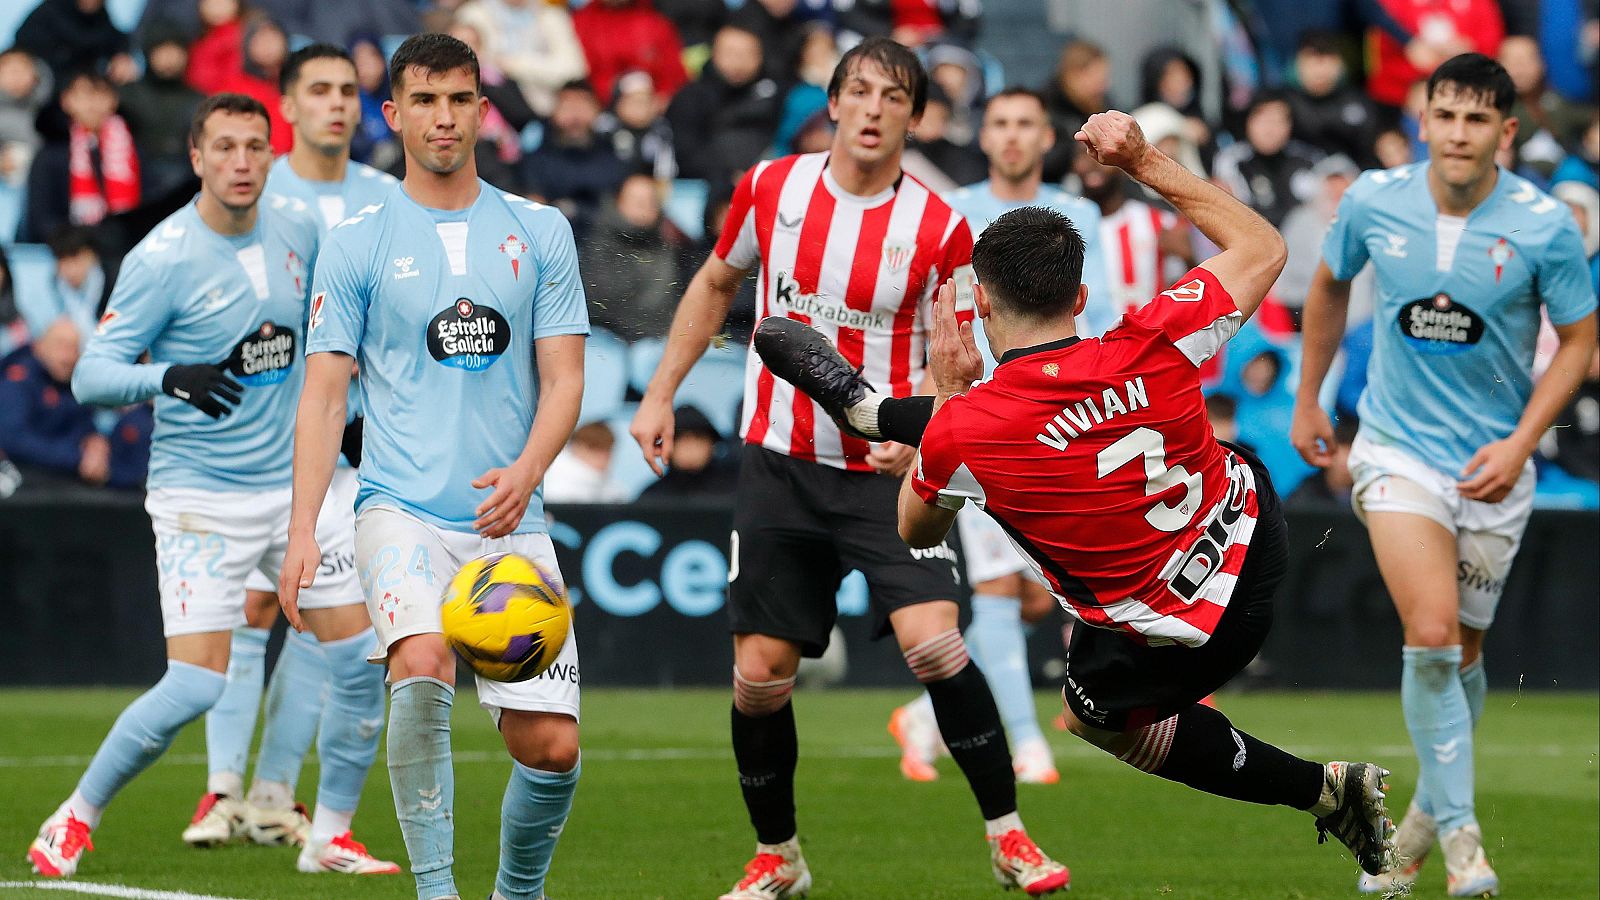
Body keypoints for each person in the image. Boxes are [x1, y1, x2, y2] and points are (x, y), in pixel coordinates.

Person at [754, 110, 1399, 889]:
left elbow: (914, 527)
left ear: (981, 306)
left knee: (1089, 714)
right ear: (1082, 293)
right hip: (1254, 538)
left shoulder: (970, 431)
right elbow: (1264, 246)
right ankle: (870, 409)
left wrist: (950, 400)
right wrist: (1143, 160)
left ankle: (1328, 793)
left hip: (1172, 630)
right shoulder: (1155, 336)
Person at [629, 37, 1071, 899]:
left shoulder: (940, 225)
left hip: (885, 472)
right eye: (859, 91)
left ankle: (1009, 837)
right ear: (832, 103)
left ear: (914, 115)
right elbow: (718, 284)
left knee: (938, 644)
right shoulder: (771, 188)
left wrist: (919, 433)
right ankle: (778, 858)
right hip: (780, 462)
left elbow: (960, 355)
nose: (873, 109)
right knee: (759, 674)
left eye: (893, 96)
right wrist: (658, 393)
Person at [26, 93, 397, 880]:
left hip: (301, 493)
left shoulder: (298, 228)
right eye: (224, 147)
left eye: (254, 147)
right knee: (195, 682)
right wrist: (171, 377)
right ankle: (75, 816)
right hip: (204, 499)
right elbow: (93, 372)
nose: (240, 162)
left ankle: (328, 835)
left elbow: (319, 341)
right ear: (196, 158)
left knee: (363, 657)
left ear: (272, 155)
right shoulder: (162, 257)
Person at [278, 34, 589, 900]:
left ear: (483, 110)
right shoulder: (356, 243)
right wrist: (305, 531)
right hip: (399, 511)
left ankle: (515, 894)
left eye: (458, 99)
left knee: (551, 751)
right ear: (395, 115)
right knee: (419, 665)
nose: (442, 117)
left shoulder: (541, 230)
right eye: (423, 100)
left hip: (509, 522)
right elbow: (324, 398)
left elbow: (565, 379)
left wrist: (528, 469)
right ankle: (437, 891)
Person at [1290, 53, 1597, 897]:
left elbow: (1579, 341)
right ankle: (1464, 844)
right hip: (1395, 450)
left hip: (1496, 464)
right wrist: (1310, 399)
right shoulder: (1373, 201)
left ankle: (1413, 829)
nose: (1457, 133)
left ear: (1507, 131)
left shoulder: (1544, 225)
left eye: (1476, 119)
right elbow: (1325, 287)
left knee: (1460, 655)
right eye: (1445, 114)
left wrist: (1523, 440)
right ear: (1422, 121)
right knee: (1429, 633)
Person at [178, 42, 403, 857]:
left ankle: (273, 795)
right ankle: (222, 788)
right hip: (252, 437)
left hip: (358, 434)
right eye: (318, 90)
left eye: (348, 90)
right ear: (286, 107)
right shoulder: (254, 192)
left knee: (322, 618)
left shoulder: (388, 197)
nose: (336, 104)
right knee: (249, 609)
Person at [890, 86, 1115, 788]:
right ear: (982, 137)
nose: (1012, 136)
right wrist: (930, 410)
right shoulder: (951, 214)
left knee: (1030, 597)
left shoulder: (1077, 217)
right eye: (1000, 124)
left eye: (1025, 123)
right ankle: (1026, 745)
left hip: (1062, 420)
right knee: (992, 583)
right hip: (986, 418)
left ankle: (924, 718)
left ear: (1046, 137)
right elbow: (936, 324)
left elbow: (1097, 312)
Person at [22, 72, 140, 245]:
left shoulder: (133, 148)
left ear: (114, 100)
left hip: (123, 246)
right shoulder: (50, 154)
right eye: (83, 95)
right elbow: (41, 218)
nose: (91, 104)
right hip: (67, 250)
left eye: (99, 94)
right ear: (65, 101)